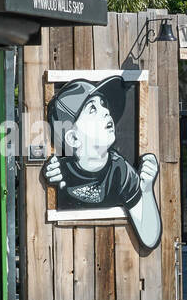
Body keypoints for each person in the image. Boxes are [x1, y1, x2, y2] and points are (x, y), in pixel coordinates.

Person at [43, 75, 161, 249]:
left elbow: (149, 237)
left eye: (103, 104)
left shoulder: (121, 171)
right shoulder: (60, 170)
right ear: (74, 138)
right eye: (92, 109)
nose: (106, 111)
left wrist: (146, 189)